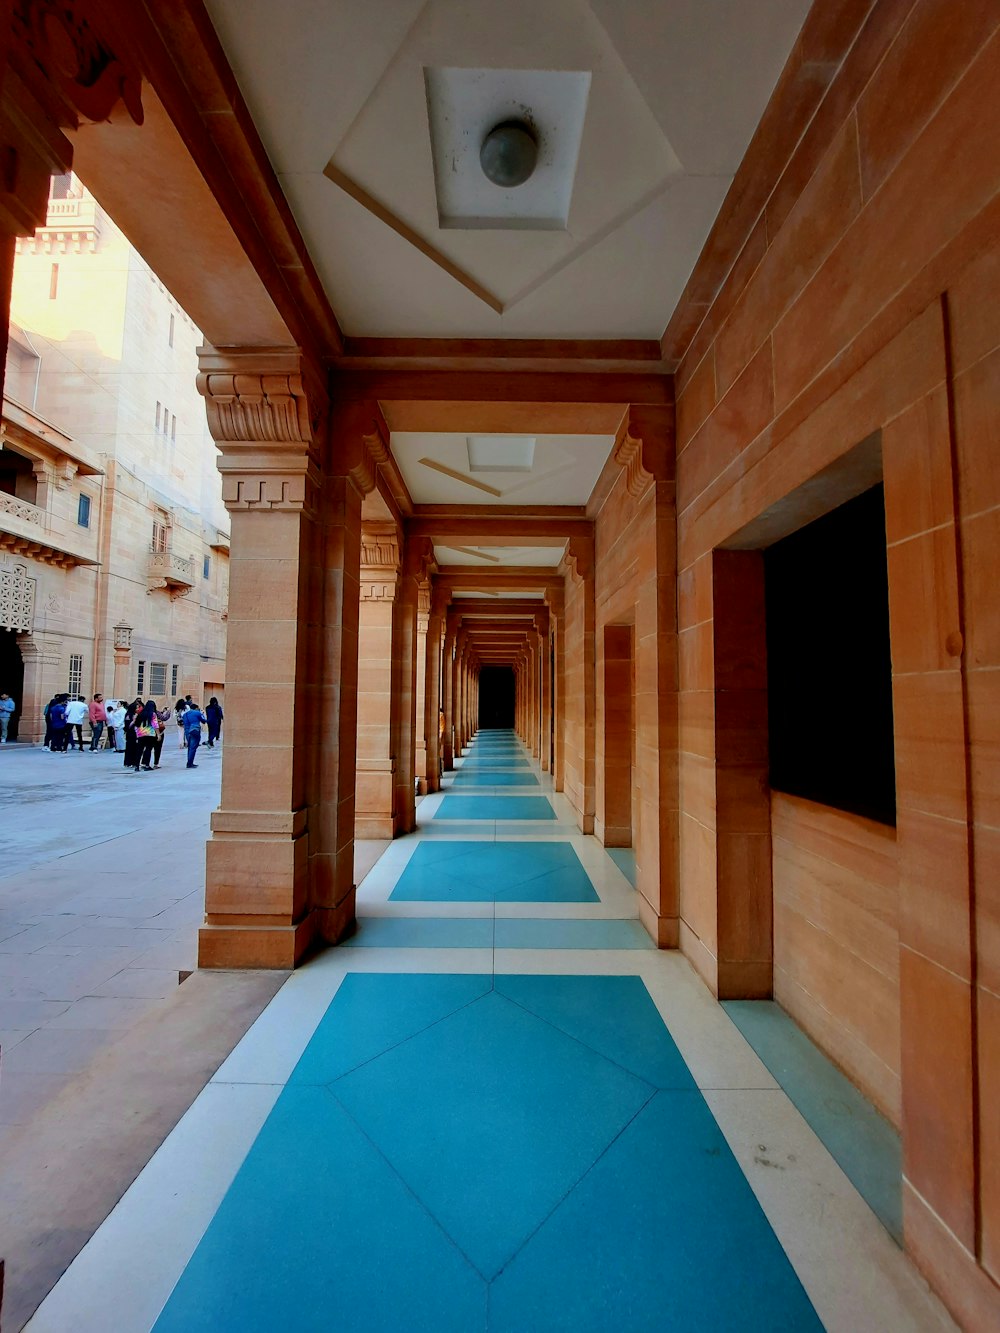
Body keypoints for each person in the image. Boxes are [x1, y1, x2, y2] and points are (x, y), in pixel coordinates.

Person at [133, 700, 160, 771]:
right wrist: (158, 734)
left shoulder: (140, 713)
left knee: (139, 750)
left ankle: (136, 766)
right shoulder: (153, 714)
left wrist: (137, 734)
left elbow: (136, 725)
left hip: (141, 734)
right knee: (148, 749)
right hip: (150, 734)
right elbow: (155, 724)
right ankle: (146, 765)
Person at [182, 700, 207, 768]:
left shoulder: (185, 715)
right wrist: (202, 714)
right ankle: (190, 763)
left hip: (187, 732)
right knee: (193, 748)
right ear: (196, 708)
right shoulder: (197, 713)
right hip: (195, 731)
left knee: (190, 747)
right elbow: (204, 721)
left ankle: (189, 762)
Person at [122, 697, 143, 770]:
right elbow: (128, 726)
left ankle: (134, 762)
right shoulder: (129, 715)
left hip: (136, 733)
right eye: (137, 708)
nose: (138, 709)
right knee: (130, 748)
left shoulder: (136, 714)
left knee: (136, 748)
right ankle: (128, 762)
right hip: (131, 734)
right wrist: (134, 720)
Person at [153, 701, 172, 767]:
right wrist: (168, 711)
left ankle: (144, 763)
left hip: (147, 733)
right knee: (157, 748)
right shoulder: (156, 713)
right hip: (158, 732)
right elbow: (164, 718)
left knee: (147, 749)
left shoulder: (143, 713)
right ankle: (156, 763)